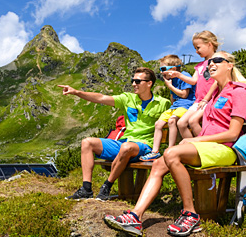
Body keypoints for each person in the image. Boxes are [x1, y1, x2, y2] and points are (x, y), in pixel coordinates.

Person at [103, 51, 246, 237]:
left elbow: (232, 133)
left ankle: (190, 214)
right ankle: (135, 216)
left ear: (230, 65)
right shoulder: (215, 96)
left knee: (171, 153)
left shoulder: (240, 93)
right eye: (209, 62)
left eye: (216, 61)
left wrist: (195, 140)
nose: (210, 64)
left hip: (226, 149)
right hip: (208, 147)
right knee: (159, 163)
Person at [59, 67, 171, 201]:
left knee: (127, 147)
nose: (133, 84)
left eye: (137, 81)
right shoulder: (127, 98)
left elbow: (175, 119)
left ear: (149, 83)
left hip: (144, 146)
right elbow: (100, 98)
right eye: (133, 80)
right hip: (124, 143)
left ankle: (107, 185)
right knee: (87, 142)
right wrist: (76, 92)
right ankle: (86, 189)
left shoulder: (163, 103)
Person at [141, 55, 195, 160]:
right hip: (175, 106)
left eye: (163, 69)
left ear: (173, 69)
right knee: (158, 124)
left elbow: (184, 94)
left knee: (171, 121)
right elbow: (172, 97)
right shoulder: (171, 80)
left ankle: (170, 148)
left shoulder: (184, 76)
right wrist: (172, 106)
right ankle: (155, 151)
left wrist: (170, 86)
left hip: (186, 104)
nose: (161, 72)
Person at [174, 31, 221, 139]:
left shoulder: (217, 61)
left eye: (198, 47)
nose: (196, 51)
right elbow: (193, 81)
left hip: (211, 99)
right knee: (181, 123)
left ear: (209, 44)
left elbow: (217, 81)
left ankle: (206, 145)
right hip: (198, 101)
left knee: (193, 121)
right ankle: (191, 147)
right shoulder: (199, 65)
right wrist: (179, 75)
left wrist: (206, 99)